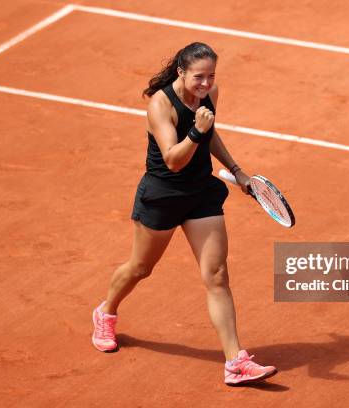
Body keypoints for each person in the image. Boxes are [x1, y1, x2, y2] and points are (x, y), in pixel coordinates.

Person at [91, 42, 277, 386]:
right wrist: (196, 131)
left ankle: (235, 361)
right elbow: (174, 159)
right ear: (181, 72)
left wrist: (238, 171)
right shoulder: (161, 104)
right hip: (163, 195)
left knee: (217, 275)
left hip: (200, 195)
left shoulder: (209, 95)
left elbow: (211, 135)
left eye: (211, 76)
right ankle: (106, 311)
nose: (206, 84)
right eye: (198, 77)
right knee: (141, 268)